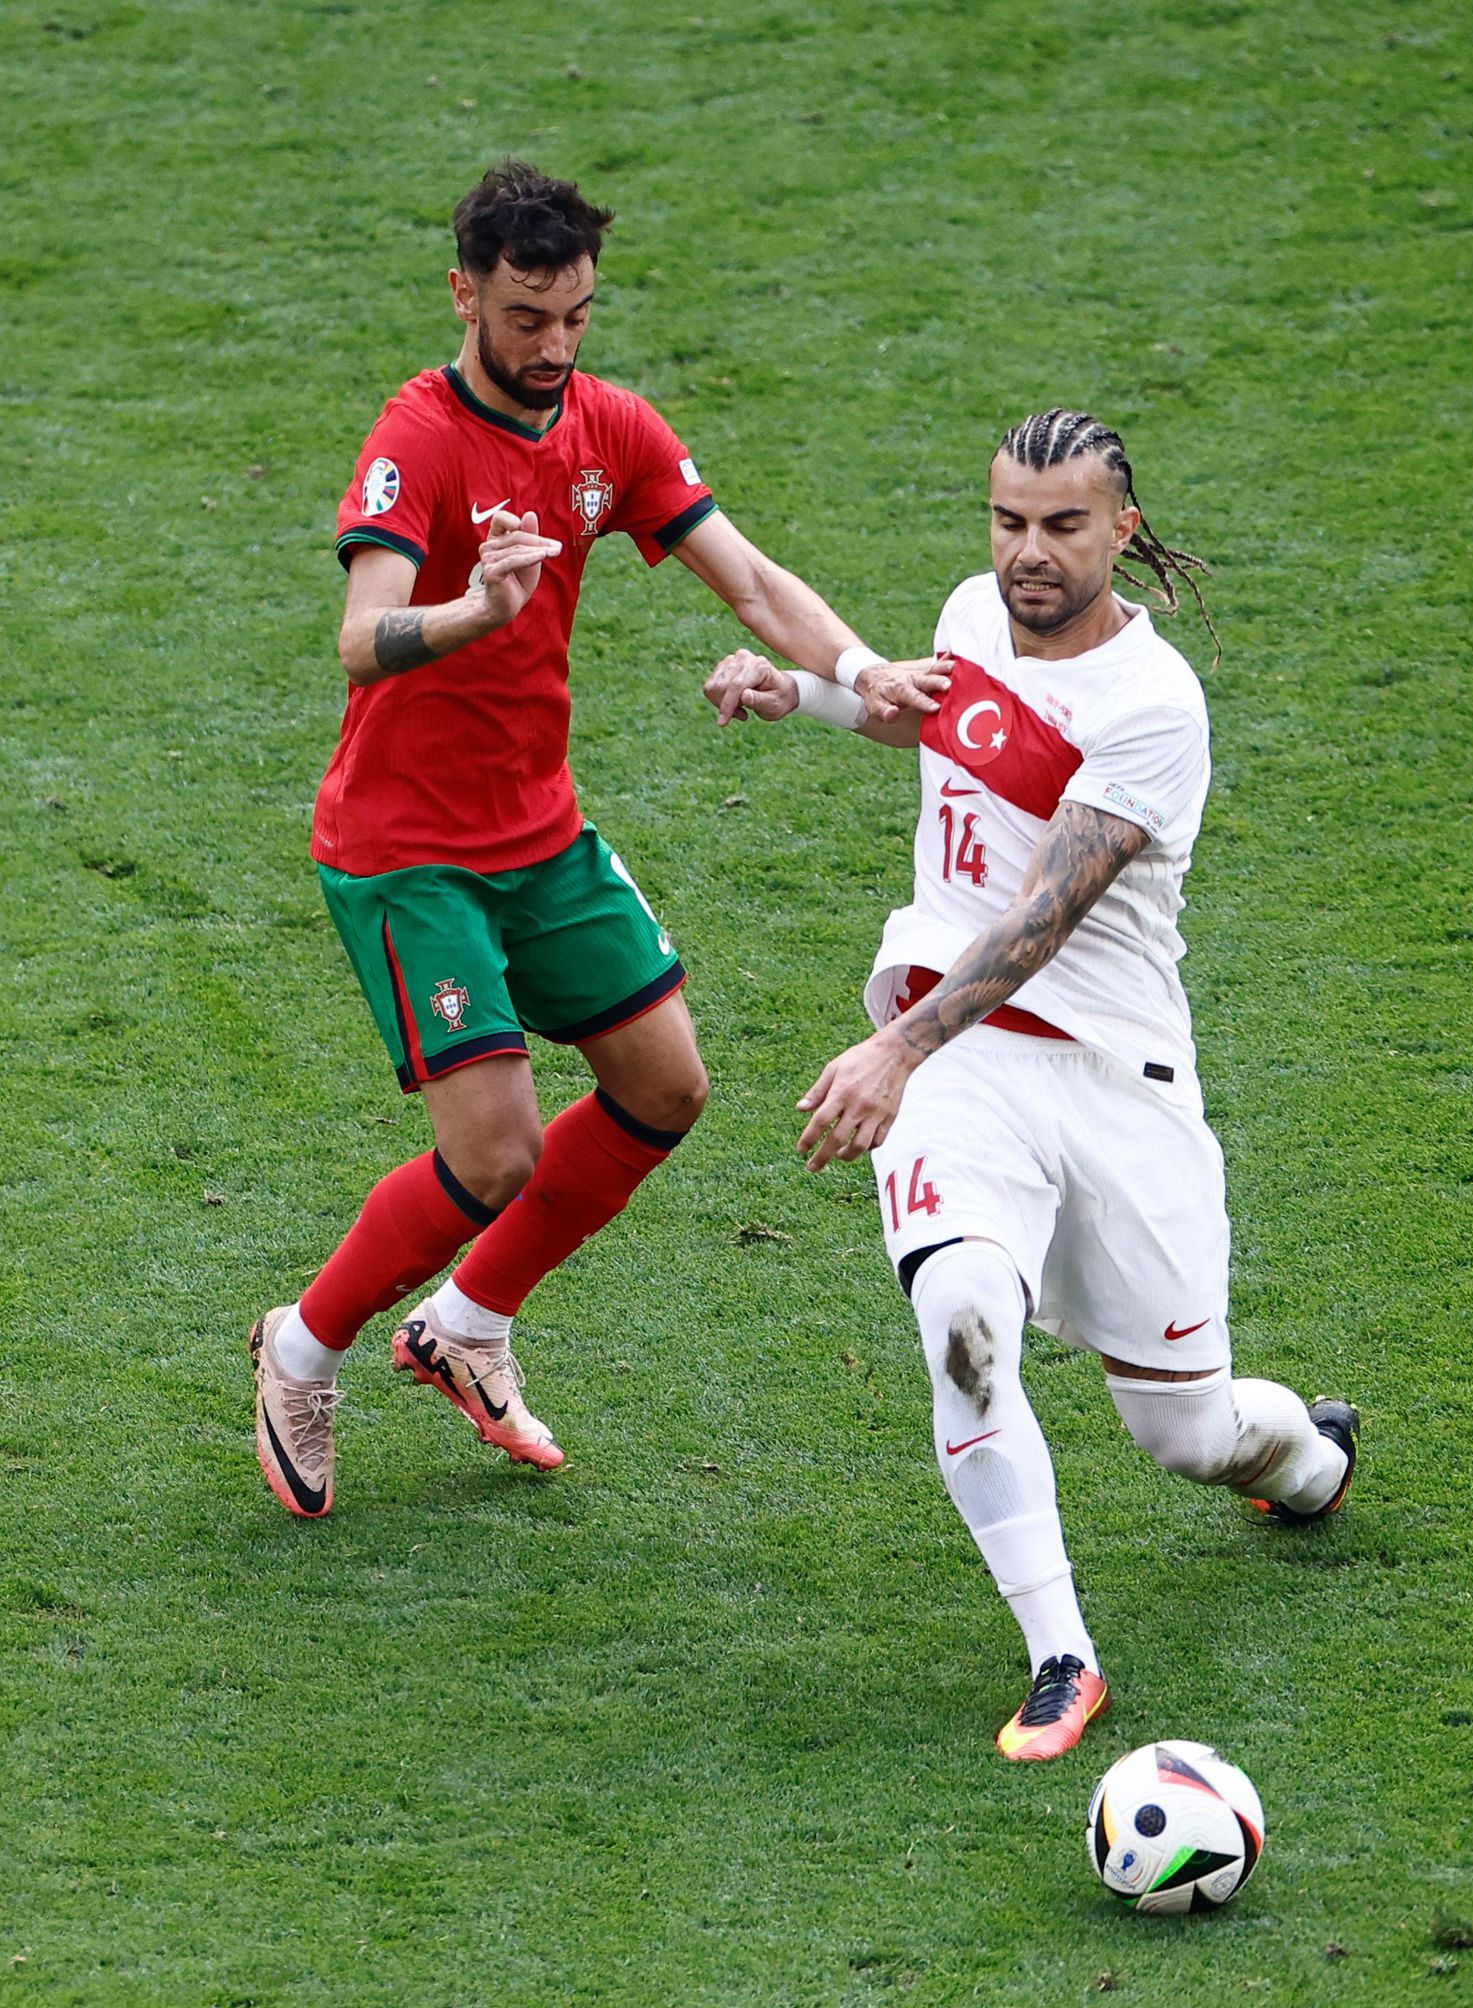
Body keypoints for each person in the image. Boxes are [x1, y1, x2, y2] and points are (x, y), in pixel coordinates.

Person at [251, 160, 941, 1518]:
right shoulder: (417, 438)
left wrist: (863, 671)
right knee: (495, 1153)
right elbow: (361, 636)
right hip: (407, 850)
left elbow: (749, 581)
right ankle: (299, 1351)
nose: (555, 346)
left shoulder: (610, 427)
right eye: (526, 318)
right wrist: (476, 610)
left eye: (575, 316)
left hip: (539, 832)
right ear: (464, 296)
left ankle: (466, 1325)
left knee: (665, 1088)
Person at [704, 409, 1358, 1760]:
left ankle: (1307, 1461)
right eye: (1008, 522)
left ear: (1122, 528)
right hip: (962, 1063)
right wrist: (801, 694)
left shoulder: (1151, 703)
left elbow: (1043, 916)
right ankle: (1063, 1656)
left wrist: (894, 1048)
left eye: (1062, 526)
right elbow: (938, 731)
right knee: (961, 1320)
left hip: (1113, 1076)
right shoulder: (969, 612)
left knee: (1191, 1434)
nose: (1028, 554)